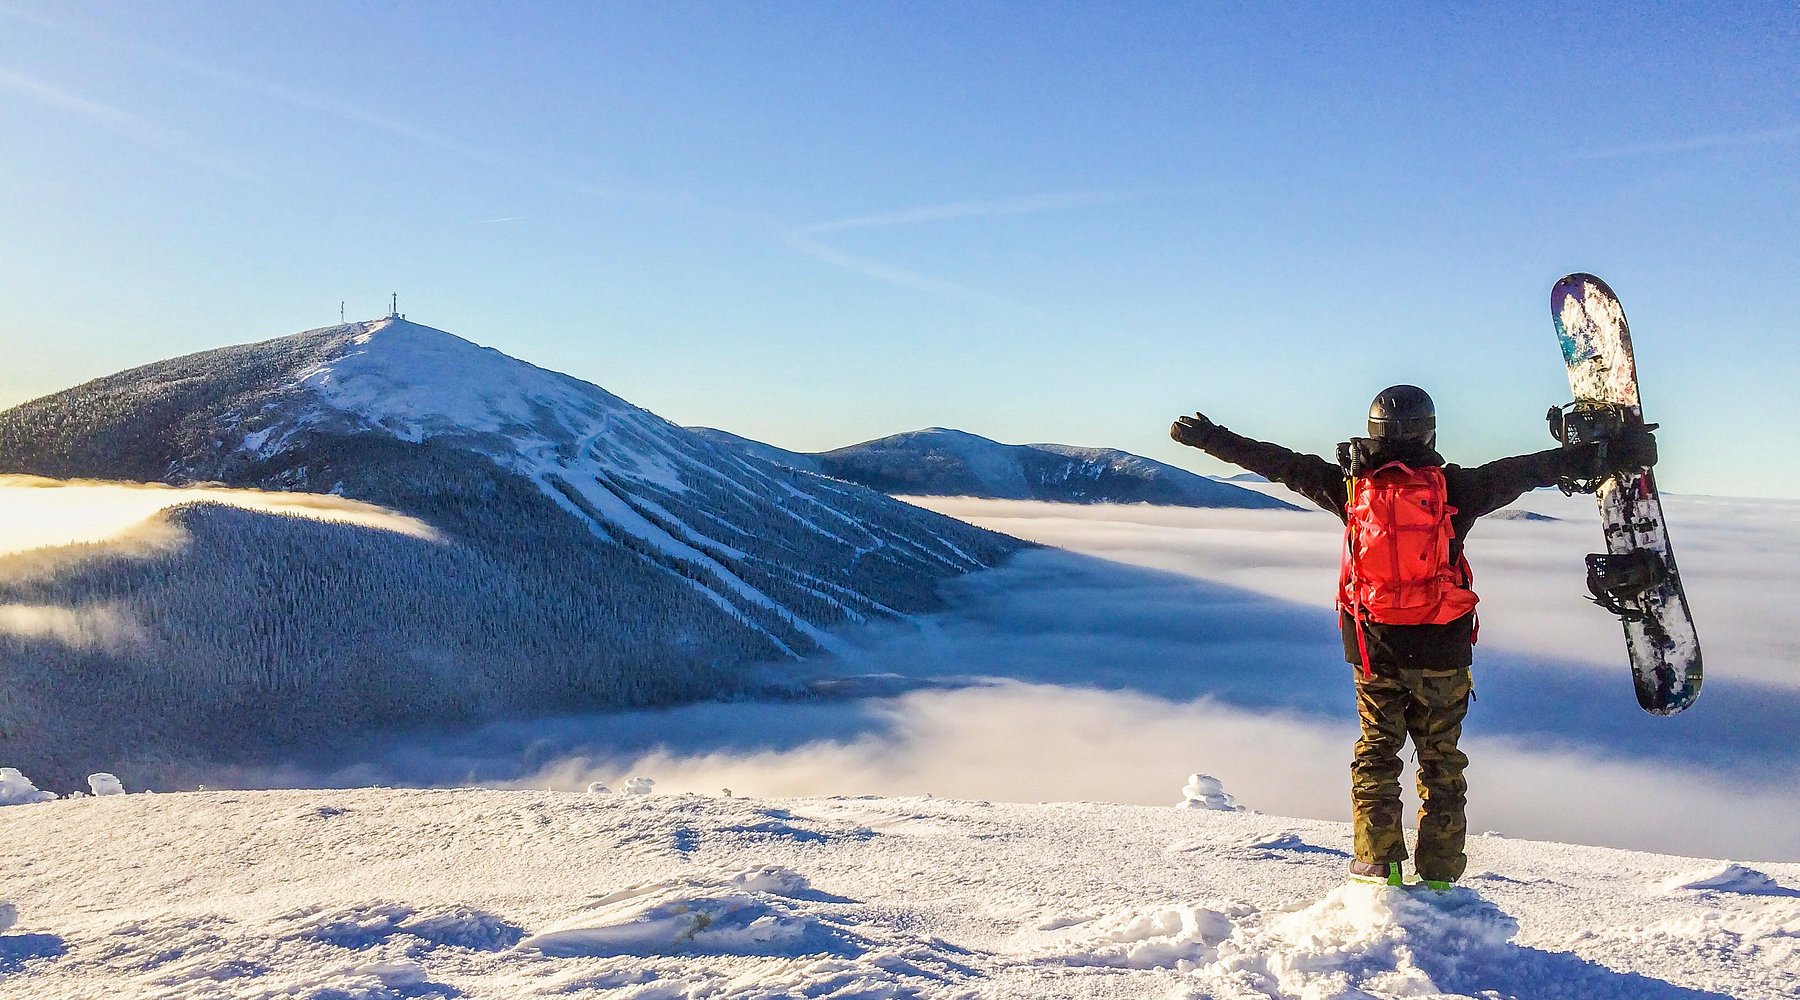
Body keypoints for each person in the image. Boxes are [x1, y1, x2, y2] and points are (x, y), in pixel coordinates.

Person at [1170, 385, 1655, 888]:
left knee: (1377, 752)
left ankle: (1379, 865)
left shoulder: (1350, 487)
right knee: (1441, 759)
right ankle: (1441, 873)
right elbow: (1527, 470)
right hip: (1443, 647)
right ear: (1430, 431)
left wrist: (1211, 438)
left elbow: (1281, 464)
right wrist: (1613, 452)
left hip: (1374, 648)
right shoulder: (1454, 490)